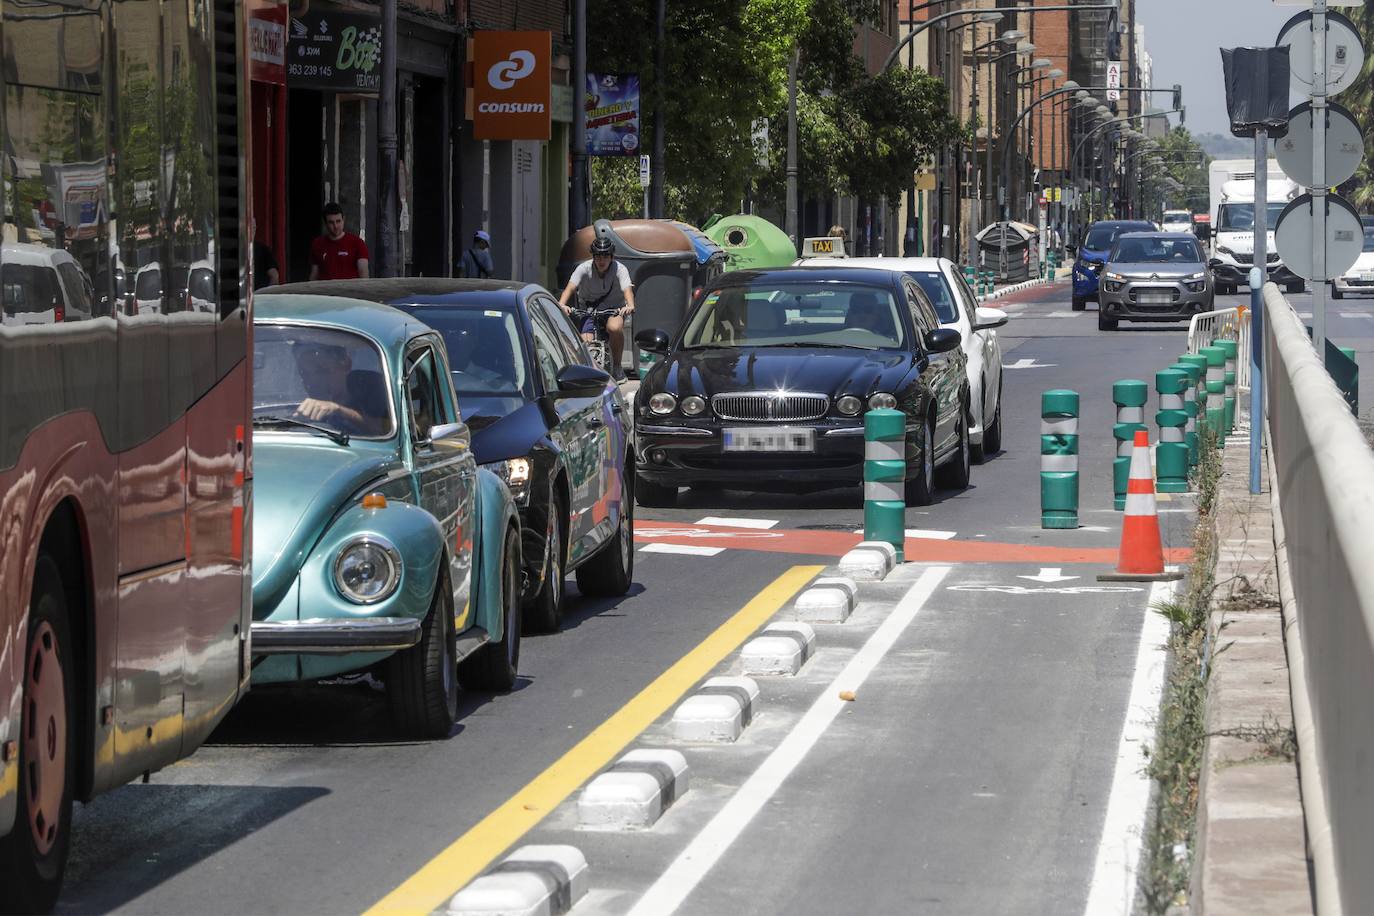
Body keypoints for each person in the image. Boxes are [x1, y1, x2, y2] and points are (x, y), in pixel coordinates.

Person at [557, 236, 636, 380]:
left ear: (611, 257)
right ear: (593, 257)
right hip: (589, 309)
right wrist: (561, 305)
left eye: (605, 256)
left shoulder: (620, 269)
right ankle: (589, 373)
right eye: (598, 256)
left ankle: (617, 367)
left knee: (614, 328)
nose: (602, 260)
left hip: (613, 309)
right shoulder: (583, 268)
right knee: (585, 342)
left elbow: (627, 289)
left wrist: (630, 305)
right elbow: (570, 288)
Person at [291, 341, 385, 436]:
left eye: (322, 370)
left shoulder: (376, 389)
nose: (312, 381)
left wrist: (340, 411)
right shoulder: (291, 410)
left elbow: (385, 430)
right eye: (304, 373)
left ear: (346, 365)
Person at [309, 202, 370, 281]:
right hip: (325, 292)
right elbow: (314, 274)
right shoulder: (317, 244)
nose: (335, 226)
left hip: (349, 291)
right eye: (331, 222)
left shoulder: (357, 243)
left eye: (338, 221)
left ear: (343, 219)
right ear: (325, 223)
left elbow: (363, 274)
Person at [447, 325, 508, 391]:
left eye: (460, 334)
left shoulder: (492, 379)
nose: (453, 342)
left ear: (472, 344)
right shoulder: (435, 378)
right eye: (449, 336)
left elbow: (510, 397)